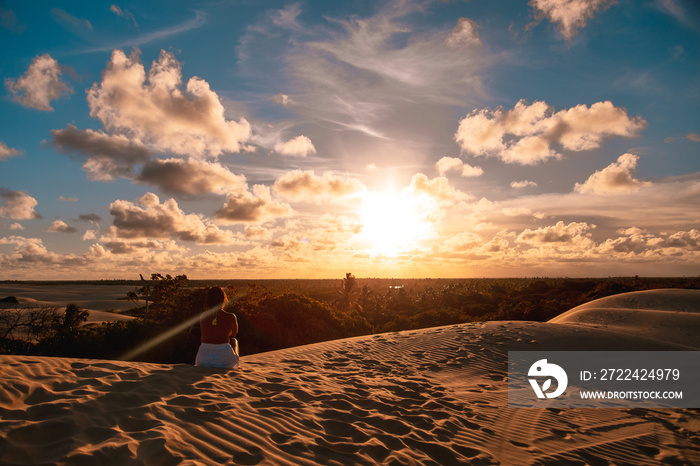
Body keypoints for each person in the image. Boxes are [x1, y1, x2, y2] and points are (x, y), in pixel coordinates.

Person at [195, 286, 240, 369]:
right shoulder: (231, 316)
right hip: (224, 360)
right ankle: (236, 361)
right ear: (223, 299)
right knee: (234, 341)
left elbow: (203, 333)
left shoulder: (203, 316)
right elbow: (233, 334)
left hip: (203, 359)